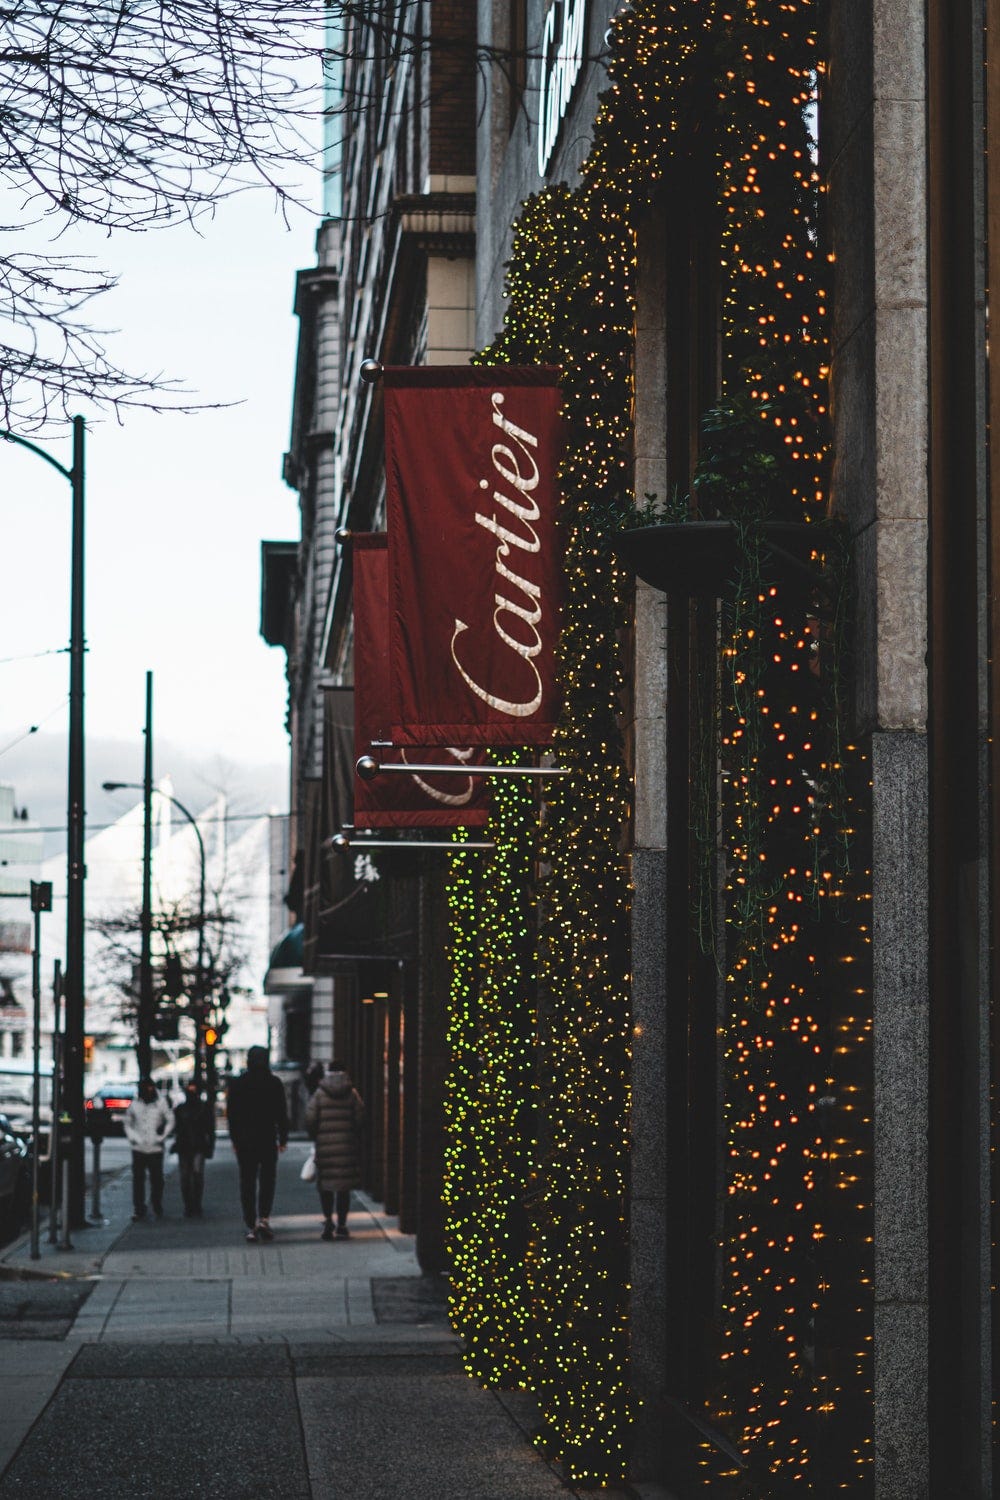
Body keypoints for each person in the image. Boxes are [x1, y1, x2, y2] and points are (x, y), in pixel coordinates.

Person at [226, 1045, 288, 1243]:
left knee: (247, 1181)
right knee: (268, 1180)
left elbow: (232, 1116)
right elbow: (281, 1113)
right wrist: (283, 1139)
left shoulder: (238, 1084)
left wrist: (235, 1139)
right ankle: (264, 1218)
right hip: (267, 1138)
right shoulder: (274, 1083)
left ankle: (250, 1223)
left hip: (245, 1141)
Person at [305, 1060, 365, 1241]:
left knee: (326, 1186)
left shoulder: (320, 1093)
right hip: (346, 1146)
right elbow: (360, 1118)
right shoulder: (352, 1093)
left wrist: (317, 1135)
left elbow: (310, 1118)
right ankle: (342, 1225)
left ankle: (328, 1220)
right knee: (343, 1188)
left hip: (325, 1147)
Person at [123, 1077, 173, 1221]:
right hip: (139, 1148)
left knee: (156, 1179)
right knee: (139, 1179)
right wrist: (133, 1137)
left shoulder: (160, 1103)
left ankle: (156, 1204)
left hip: (155, 1148)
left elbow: (170, 1119)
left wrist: (162, 1136)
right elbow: (128, 1123)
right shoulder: (135, 1105)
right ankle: (139, 1208)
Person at [172, 1079, 215, 1217]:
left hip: (195, 1145)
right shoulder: (185, 1109)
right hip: (190, 1145)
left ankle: (193, 1205)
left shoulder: (185, 1109)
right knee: (190, 1176)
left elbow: (210, 1129)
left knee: (193, 1175)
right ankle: (191, 1205)